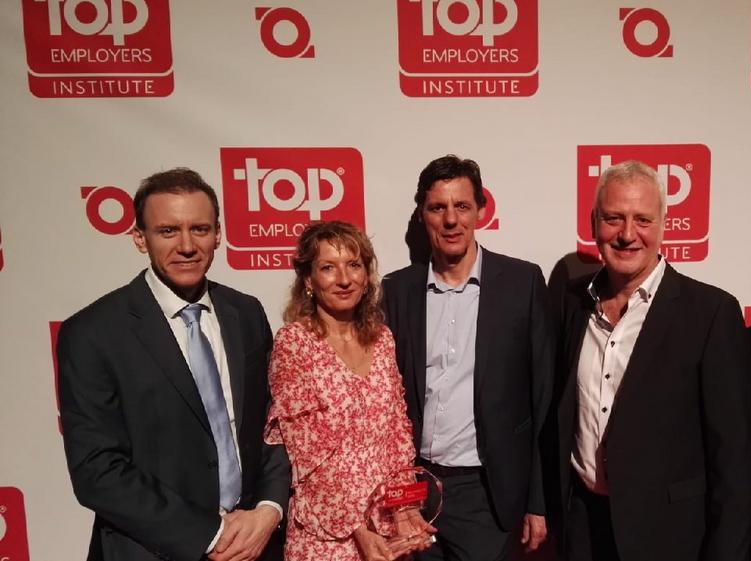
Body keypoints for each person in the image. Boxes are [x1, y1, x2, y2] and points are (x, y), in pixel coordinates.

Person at [57, 168, 291, 561]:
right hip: (152, 550)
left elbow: (275, 423)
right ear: (139, 238)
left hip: (255, 544)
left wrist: (269, 510)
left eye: (200, 229)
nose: (187, 246)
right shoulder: (93, 332)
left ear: (218, 234)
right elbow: (97, 470)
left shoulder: (246, 312)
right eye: (168, 231)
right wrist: (210, 533)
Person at [550, 160, 751, 561]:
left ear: (663, 224)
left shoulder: (711, 312)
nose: (628, 234)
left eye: (642, 220)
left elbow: (734, 458)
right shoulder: (570, 302)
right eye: (614, 218)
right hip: (583, 527)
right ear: (594, 223)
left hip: (670, 536)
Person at [381, 155, 555, 561]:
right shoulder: (396, 291)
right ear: (422, 214)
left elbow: (543, 396)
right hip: (411, 489)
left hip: (486, 493)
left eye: (461, 206)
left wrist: (538, 501)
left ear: (480, 210)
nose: (451, 220)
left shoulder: (522, 283)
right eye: (437, 208)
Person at [265, 221, 434, 561]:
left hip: (386, 527)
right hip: (326, 532)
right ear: (308, 280)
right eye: (328, 268)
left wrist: (404, 507)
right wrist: (359, 527)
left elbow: (397, 433)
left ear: (366, 275)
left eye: (354, 265)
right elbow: (307, 456)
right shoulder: (294, 343)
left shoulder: (382, 338)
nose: (344, 279)